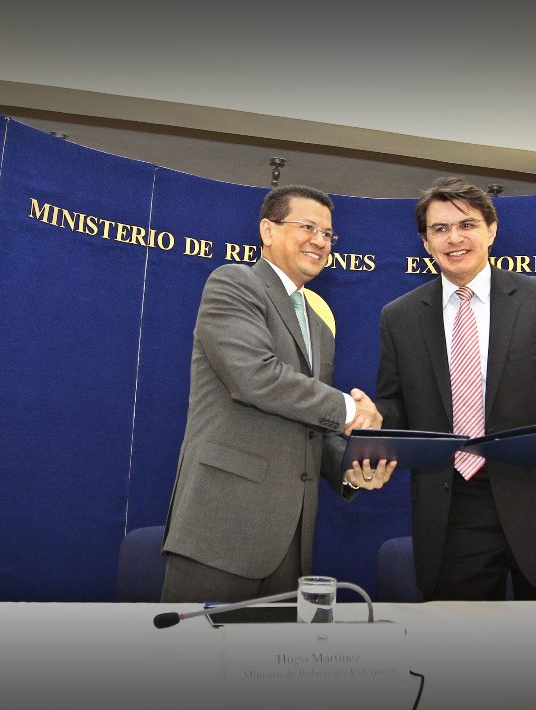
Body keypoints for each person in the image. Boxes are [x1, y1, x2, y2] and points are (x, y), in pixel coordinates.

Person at [375, 177, 536, 600]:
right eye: (440, 229)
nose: (454, 238)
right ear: (425, 242)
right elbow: (395, 406)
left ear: (491, 231)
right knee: (462, 642)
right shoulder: (399, 316)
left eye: (467, 225)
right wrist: (370, 422)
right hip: (452, 513)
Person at [160, 184, 394, 603]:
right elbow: (256, 378)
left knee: (275, 648)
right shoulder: (234, 283)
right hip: (222, 530)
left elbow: (309, 422)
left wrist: (350, 466)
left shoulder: (319, 325)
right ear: (268, 230)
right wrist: (350, 409)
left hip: (291, 540)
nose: (320, 241)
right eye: (307, 227)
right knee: (198, 647)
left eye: (328, 234)